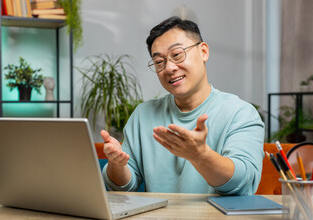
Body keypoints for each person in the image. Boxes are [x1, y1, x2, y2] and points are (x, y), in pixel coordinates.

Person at [100, 16, 265, 195]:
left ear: (203, 51)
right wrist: (116, 165)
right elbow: (124, 185)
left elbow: (242, 182)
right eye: (159, 62)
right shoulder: (143, 115)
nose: (169, 68)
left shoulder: (240, 113)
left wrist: (201, 156)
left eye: (177, 55)